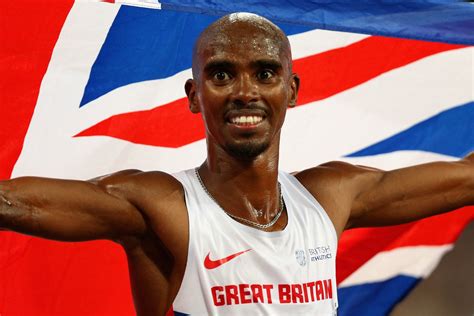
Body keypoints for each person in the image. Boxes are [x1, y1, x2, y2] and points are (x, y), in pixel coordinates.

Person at [0, 12, 472, 316]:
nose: (245, 91)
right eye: (222, 74)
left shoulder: (332, 195)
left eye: (265, 73)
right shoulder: (163, 207)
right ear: (194, 96)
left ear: (291, 90)